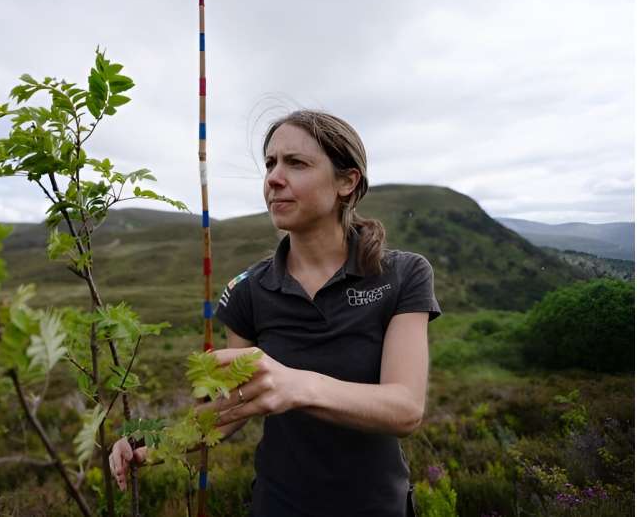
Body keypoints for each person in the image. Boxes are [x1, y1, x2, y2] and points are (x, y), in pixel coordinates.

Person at [110, 110, 441, 517]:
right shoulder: (248, 290)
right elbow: (230, 410)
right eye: (270, 163)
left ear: (346, 181)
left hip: (378, 506)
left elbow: (405, 408)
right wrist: (148, 448)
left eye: (296, 163)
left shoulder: (403, 274)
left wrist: (293, 385)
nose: (273, 177)